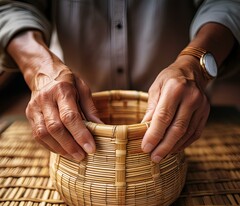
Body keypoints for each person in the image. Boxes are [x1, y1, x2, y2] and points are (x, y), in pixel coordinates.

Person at [0, 0, 240, 162]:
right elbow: (11, 5)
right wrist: (39, 67)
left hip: (187, 118)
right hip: (72, 120)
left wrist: (194, 65)